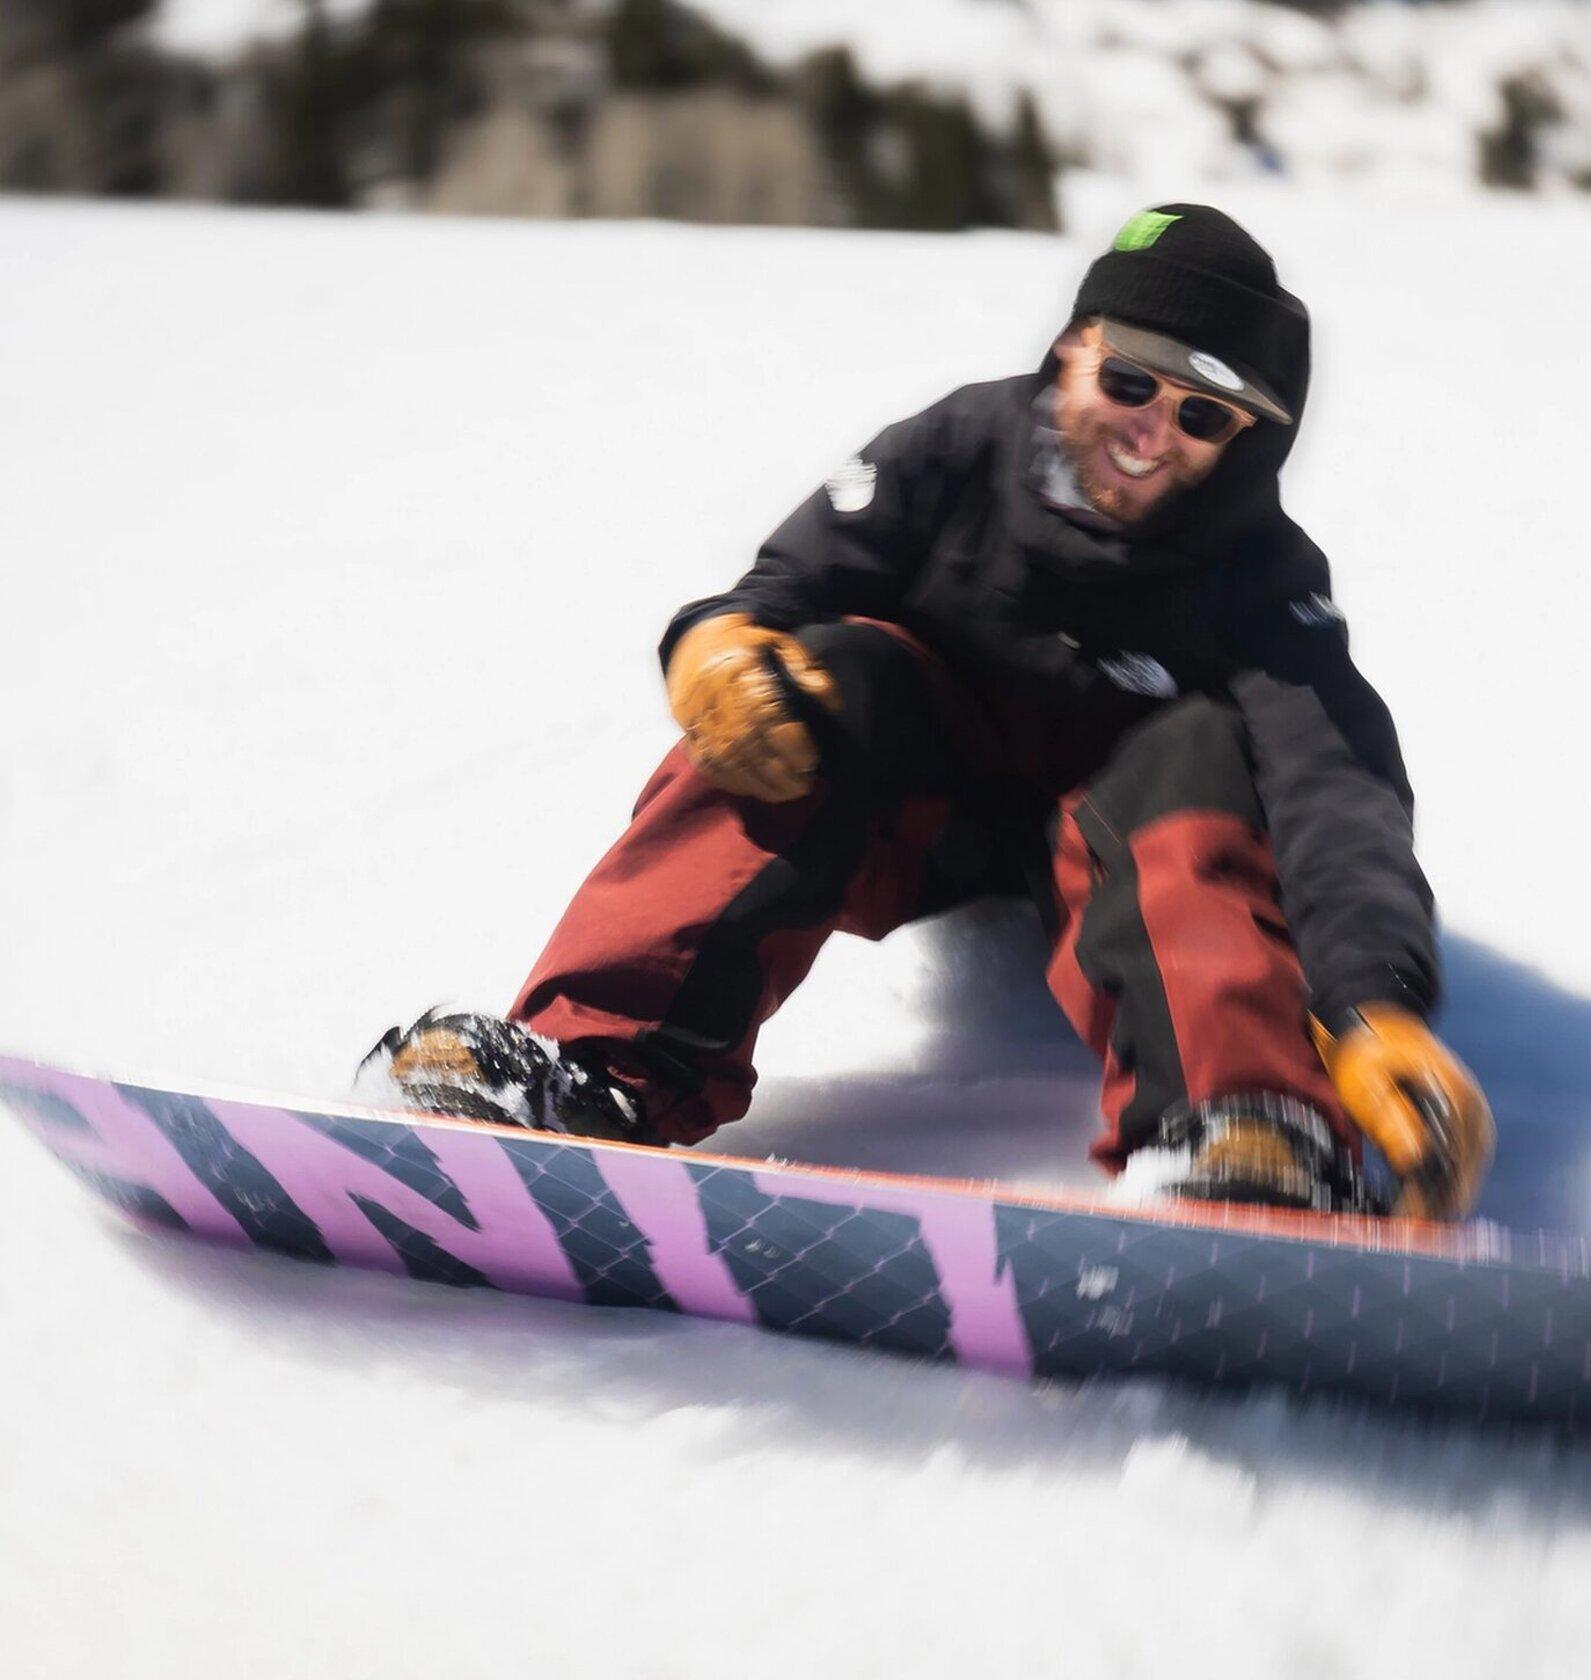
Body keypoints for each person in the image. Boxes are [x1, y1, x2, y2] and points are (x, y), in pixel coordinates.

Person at [371, 203, 1493, 1217]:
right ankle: (598, 1067)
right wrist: (713, 643)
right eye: (1133, 381)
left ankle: (1250, 1127)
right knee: (822, 672)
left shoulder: (1263, 570)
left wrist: (1371, 1002)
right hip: (915, 808)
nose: (1154, 429)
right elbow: (779, 596)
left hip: (1127, 855)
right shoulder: (958, 445)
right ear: (1075, 352)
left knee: (1201, 743)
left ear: (1250, 440)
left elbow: (1334, 780)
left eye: (1205, 414)